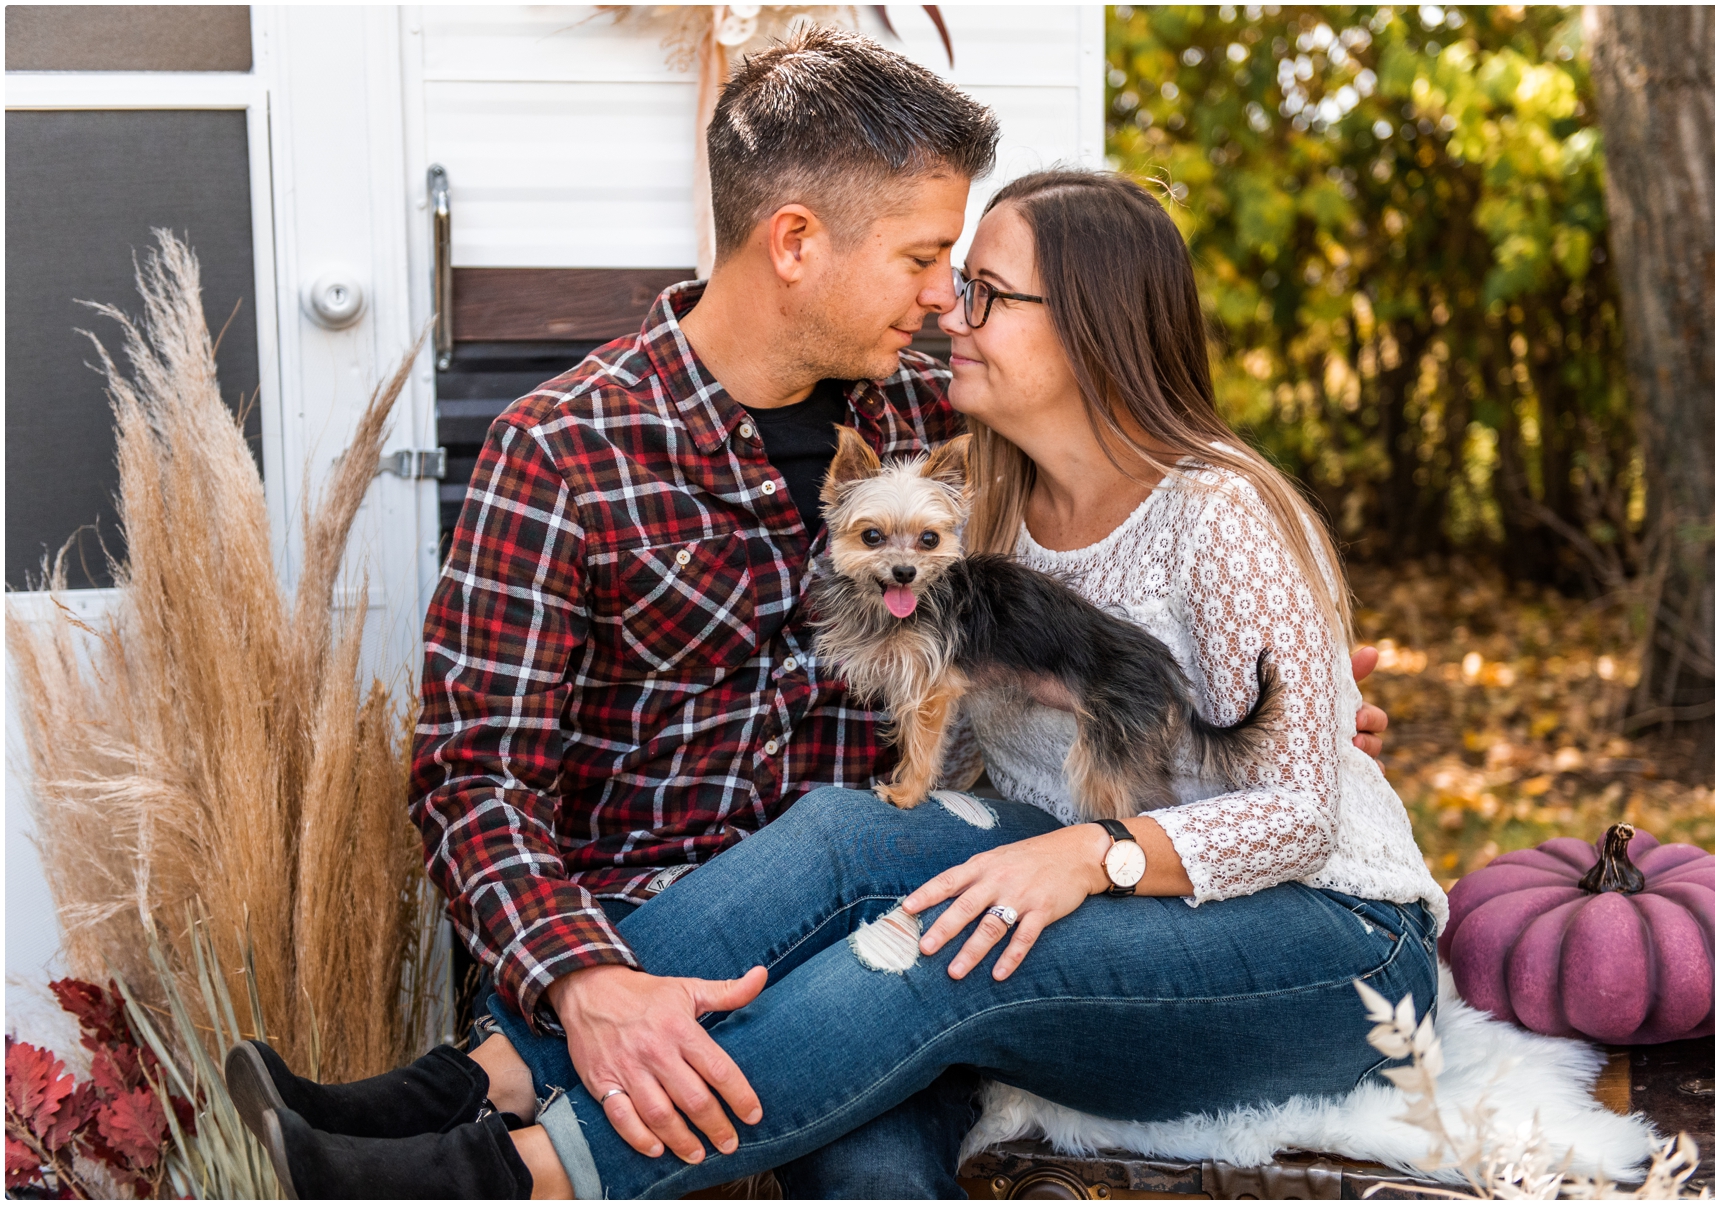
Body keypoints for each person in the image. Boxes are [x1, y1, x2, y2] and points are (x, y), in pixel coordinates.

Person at [229, 32, 1405, 1200]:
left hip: (896, 914)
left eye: (972, 281)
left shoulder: (936, 436)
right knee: (871, 907)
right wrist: (582, 979)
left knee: (886, 1123)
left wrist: (1249, 718)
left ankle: (480, 1162)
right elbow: (473, 773)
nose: (947, 303)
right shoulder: (570, 448)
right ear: (795, 241)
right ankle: (456, 1106)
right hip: (674, 923)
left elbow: (1100, 604)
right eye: (927, 260)